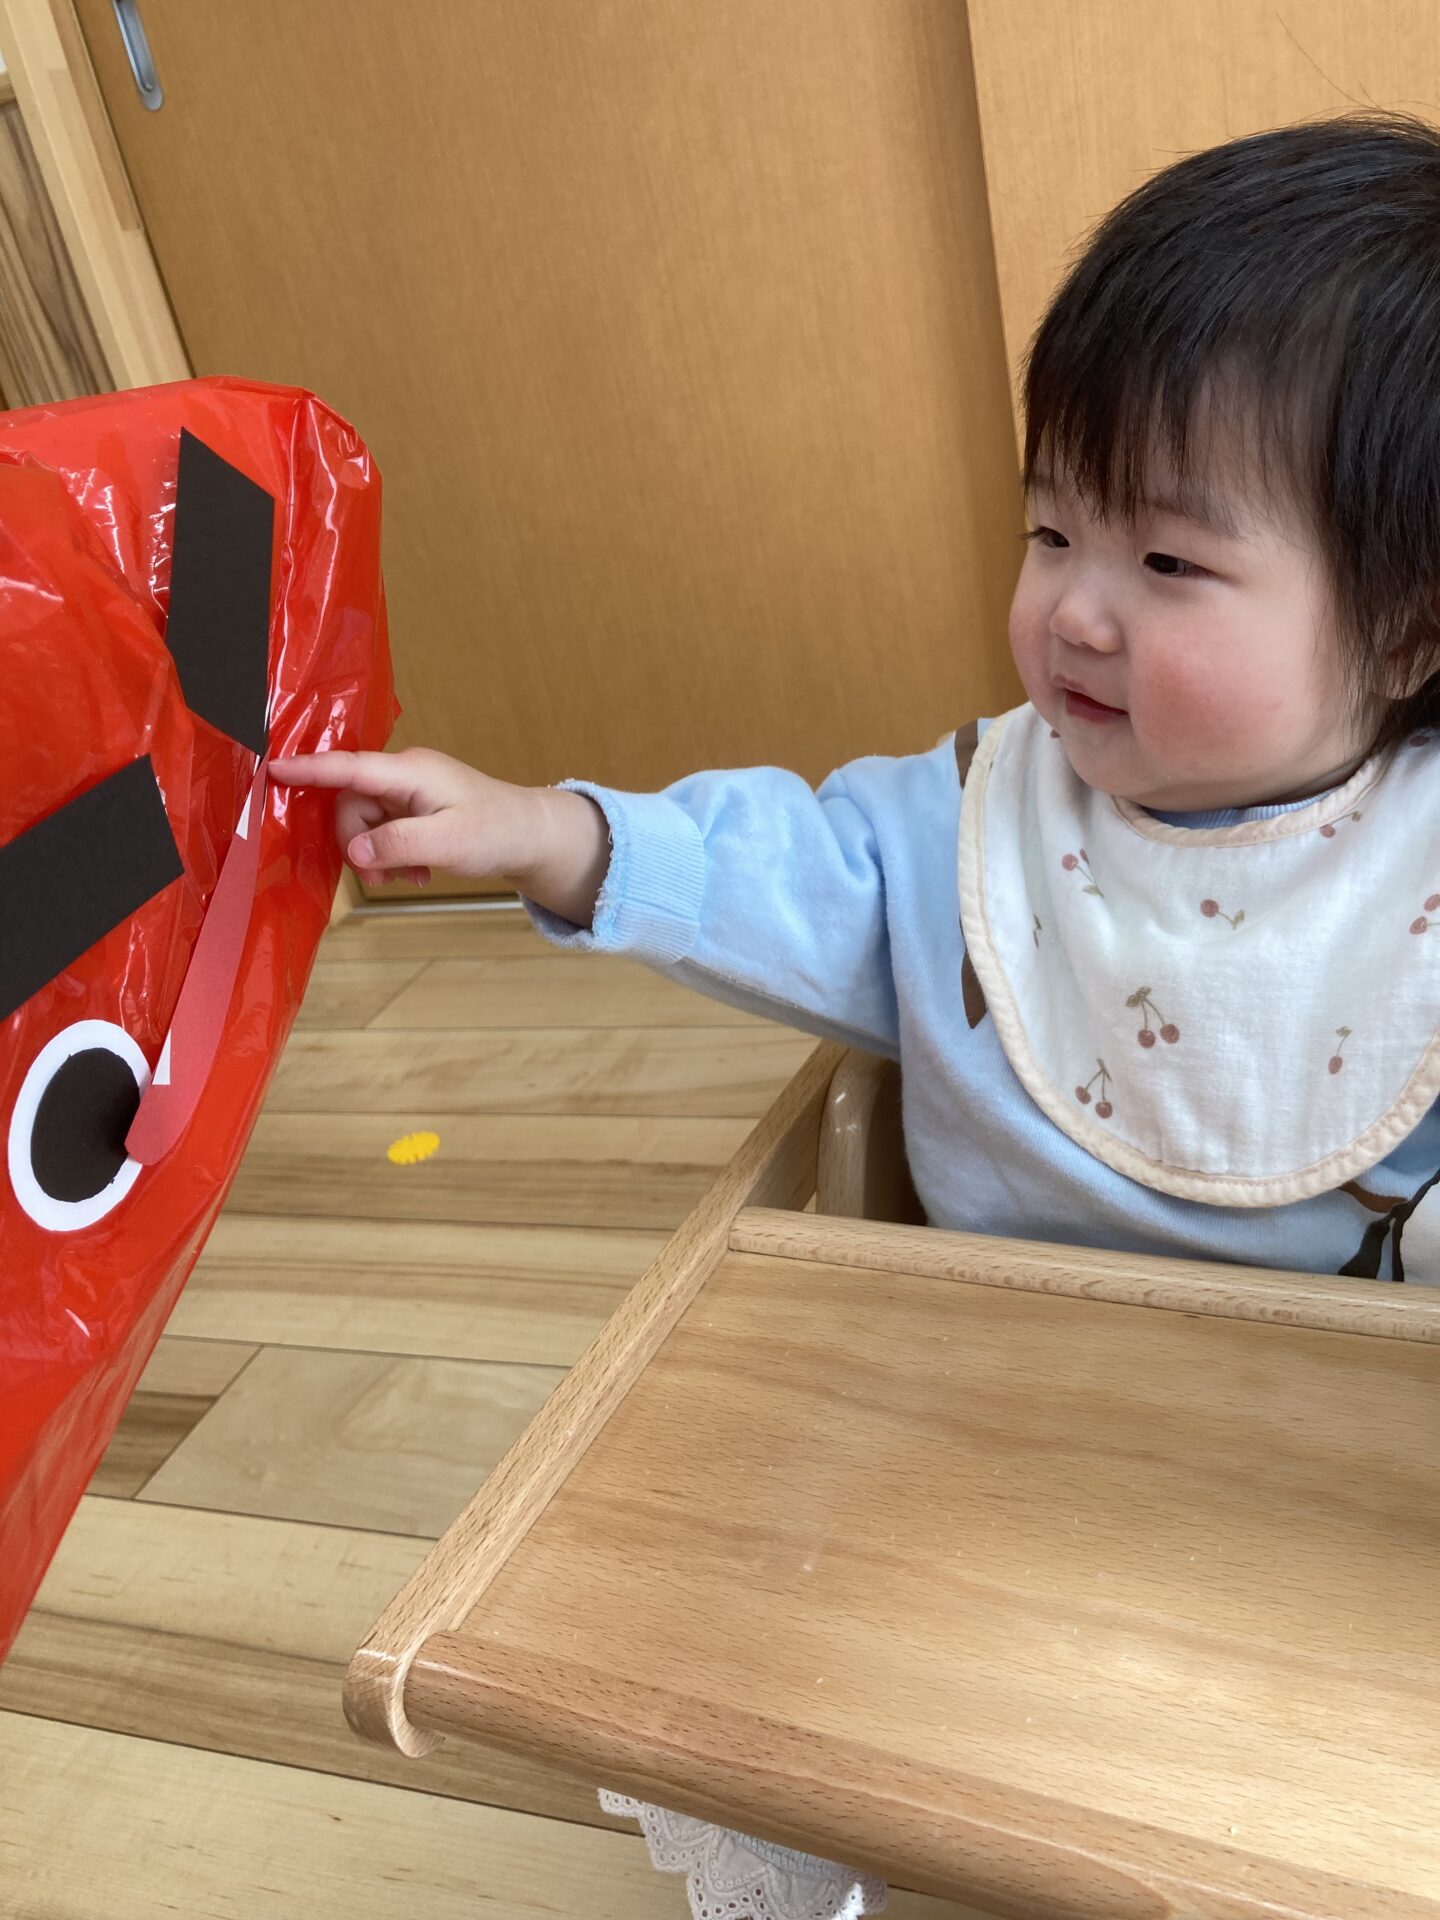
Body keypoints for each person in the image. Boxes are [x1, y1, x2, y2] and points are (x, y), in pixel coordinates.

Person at [272, 112, 1440, 1920]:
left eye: (1168, 565)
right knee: (758, 1646)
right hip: (970, 1423)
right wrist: (548, 833)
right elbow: (789, 872)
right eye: (1052, 529)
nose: (1072, 611)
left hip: (1304, 1470)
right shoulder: (978, 818)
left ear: (1410, 631)